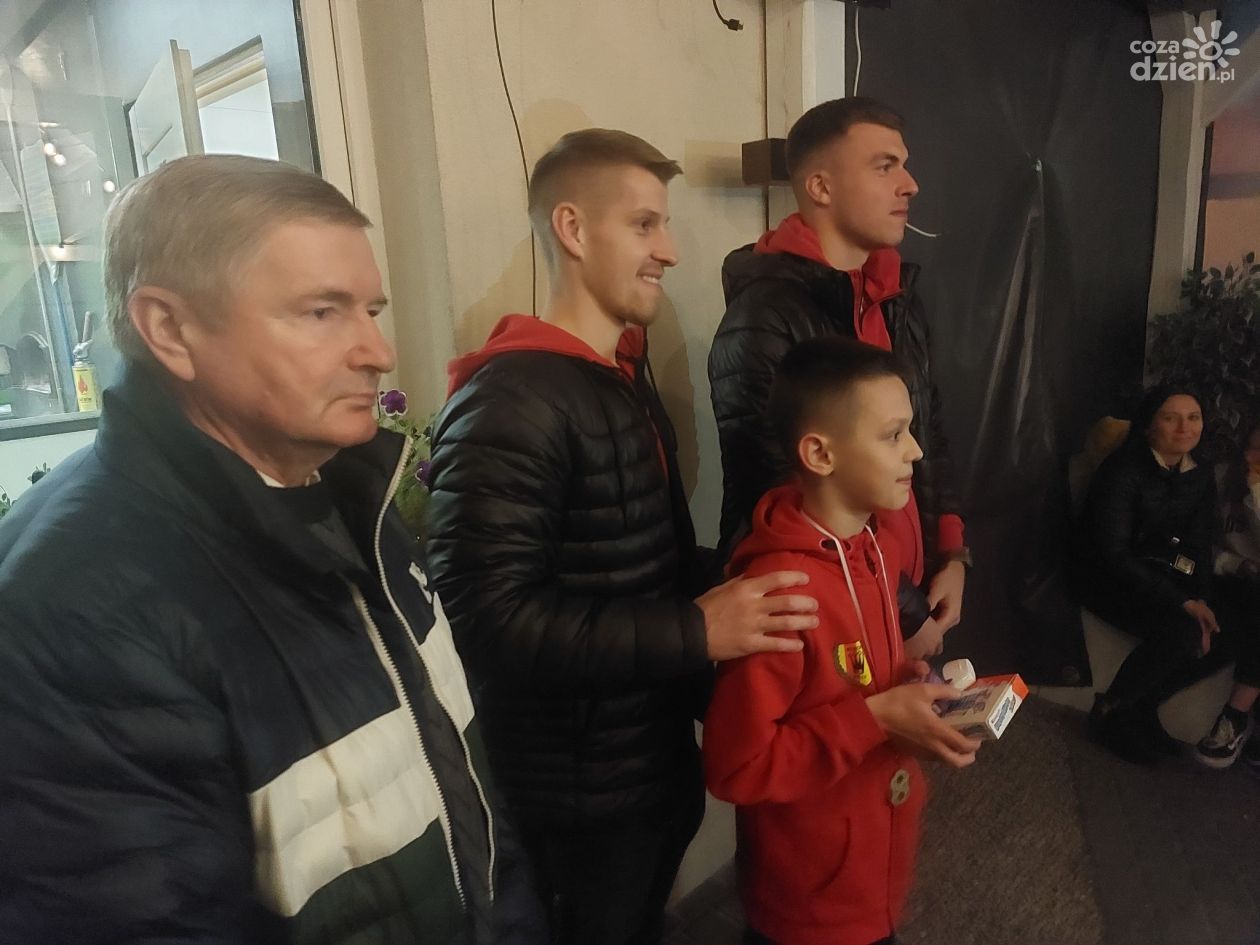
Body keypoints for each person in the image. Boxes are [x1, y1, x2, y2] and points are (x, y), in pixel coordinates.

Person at [0, 155, 542, 944]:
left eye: (371, 309)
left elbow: (458, 780)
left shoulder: (350, 493)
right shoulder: (74, 605)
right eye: (322, 312)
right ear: (170, 329)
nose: (377, 351)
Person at [425, 129, 819, 945]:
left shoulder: (614, 380)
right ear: (572, 228)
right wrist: (697, 630)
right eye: (644, 225)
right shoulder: (511, 403)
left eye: (663, 225)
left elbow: (642, 560)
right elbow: (487, 622)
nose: (668, 250)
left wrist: (764, 581)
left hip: (644, 764)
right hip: (576, 802)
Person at [703, 337, 981, 945]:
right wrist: (874, 719)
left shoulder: (872, 546)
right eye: (893, 435)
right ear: (820, 454)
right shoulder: (781, 594)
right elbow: (737, 769)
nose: (916, 450)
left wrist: (907, 690)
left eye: (911, 430)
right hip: (808, 906)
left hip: (871, 873)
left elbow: (856, 680)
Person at [709, 96, 968, 663]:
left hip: (903, 592)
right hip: (830, 606)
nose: (910, 184)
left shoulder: (896, 297)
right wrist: (903, 611)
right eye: (884, 166)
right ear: (821, 187)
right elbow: (778, 493)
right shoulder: (766, 316)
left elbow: (930, 432)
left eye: (904, 164)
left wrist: (951, 554)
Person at [1078, 385, 1259, 766]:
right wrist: (1185, 602)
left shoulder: (1199, 473)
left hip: (1161, 572)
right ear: (1149, 425)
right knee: (1184, 628)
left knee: (1226, 626)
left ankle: (1144, 705)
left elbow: (1199, 547)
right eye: (1170, 417)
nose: (1184, 427)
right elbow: (1112, 553)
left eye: (1193, 417)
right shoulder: (1124, 470)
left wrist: (1202, 599)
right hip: (1108, 577)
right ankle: (1111, 710)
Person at [1196, 420, 1260, 769]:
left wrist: (1257, 494)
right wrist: (1237, 564)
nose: (1252, 457)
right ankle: (1236, 717)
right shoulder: (1221, 478)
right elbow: (1197, 543)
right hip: (1222, 577)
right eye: (1250, 447)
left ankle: (1235, 716)